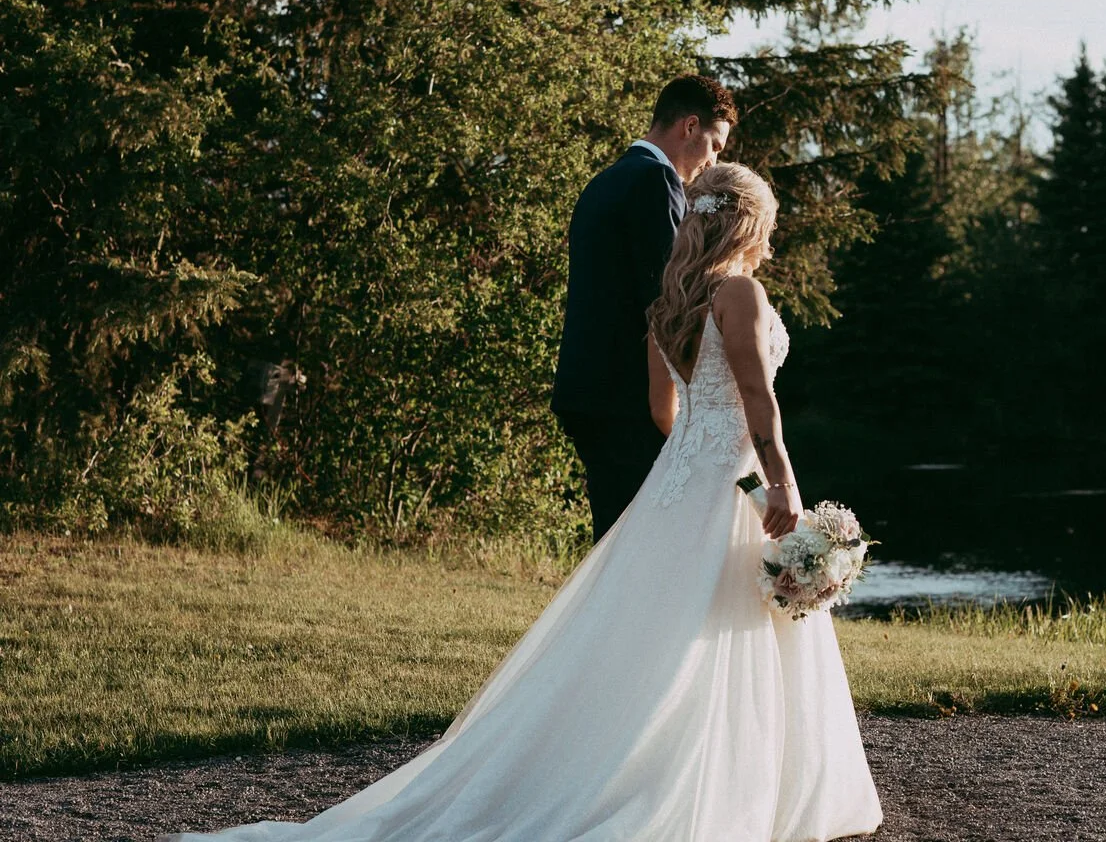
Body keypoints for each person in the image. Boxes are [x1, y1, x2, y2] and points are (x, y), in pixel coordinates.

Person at [158, 162, 883, 842]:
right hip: (737, 481)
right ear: (749, 223)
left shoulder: (671, 303)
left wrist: (732, 478)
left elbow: (670, 414)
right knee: (718, 629)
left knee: (650, 637)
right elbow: (757, 399)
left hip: (681, 488)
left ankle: (629, 770)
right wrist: (778, 484)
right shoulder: (740, 293)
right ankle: (724, 788)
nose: (773, 239)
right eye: (771, 224)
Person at [552, 75, 736, 542]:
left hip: (588, 388)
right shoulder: (657, 182)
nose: (714, 161)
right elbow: (668, 300)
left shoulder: (606, 180)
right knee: (639, 542)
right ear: (690, 127)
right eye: (714, 145)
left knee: (614, 539)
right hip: (628, 397)